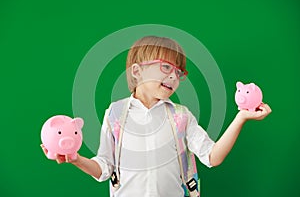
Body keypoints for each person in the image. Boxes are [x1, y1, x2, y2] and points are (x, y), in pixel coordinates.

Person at [41, 36, 272, 197]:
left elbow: (212, 157)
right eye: (165, 67)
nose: (173, 76)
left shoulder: (181, 117)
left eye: (179, 72)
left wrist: (240, 117)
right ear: (137, 71)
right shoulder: (116, 113)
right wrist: (76, 159)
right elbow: (104, 169)